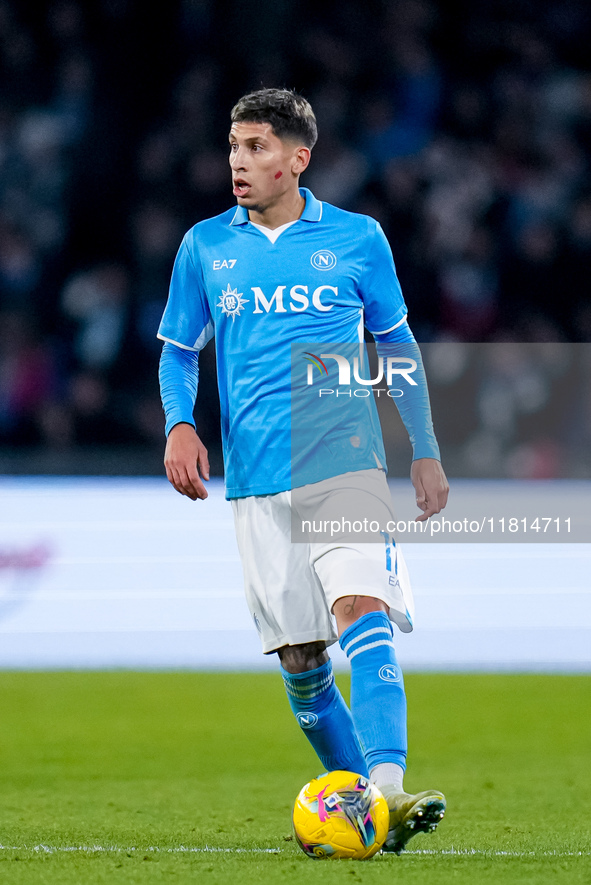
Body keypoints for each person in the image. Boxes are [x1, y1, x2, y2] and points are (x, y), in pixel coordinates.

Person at [158, 88, 449, 854]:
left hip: (342, 460)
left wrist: (423, 446)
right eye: (231, 146)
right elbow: (179, 348)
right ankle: (372, 819)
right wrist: (179, 422)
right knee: (300, 659)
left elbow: (397, 346)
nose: (237, 162)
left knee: (363, 610)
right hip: (255, 477)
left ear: (297, 159)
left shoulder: (357, 239)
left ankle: (385, 790)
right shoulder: (204, 246)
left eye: (255, 147)